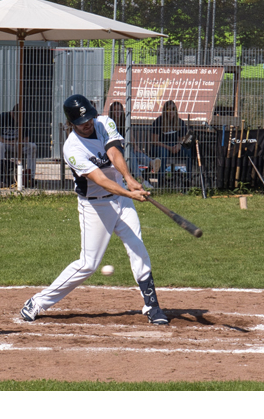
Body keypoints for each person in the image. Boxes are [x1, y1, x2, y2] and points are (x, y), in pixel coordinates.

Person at [20, 95, 168, 326]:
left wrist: (129, 179)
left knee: (137, 247)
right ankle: (37, 302)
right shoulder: (72, 148)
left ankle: (152, 306)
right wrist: (129, 193)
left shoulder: (105, 123)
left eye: (89, 117)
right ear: (71, 123)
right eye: (81, 121)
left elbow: (113, 153)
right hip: (95, 205)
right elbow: (99, 179)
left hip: (121, 198)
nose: (87, 123)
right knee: (88, 264)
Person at [108, 101, 154, 190]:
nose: (118, 112)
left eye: (119, 110)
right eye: (115, 110)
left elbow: (131, 136)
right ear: (112, 112)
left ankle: (142, 178)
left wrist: (136, 147)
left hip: (127, 148)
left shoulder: (125, 121)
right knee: (130, 153)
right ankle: (148, 167)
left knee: (132, 153)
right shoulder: (109, 123)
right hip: (115, 149)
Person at [0, 103, 37, 187]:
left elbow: (27, 138)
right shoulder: (3, 117)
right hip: (2, 143)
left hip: (15, 145)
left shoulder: (23, 120)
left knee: (32, 146)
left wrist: (22, 143)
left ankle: (30, 176)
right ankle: (0, 176)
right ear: (12, 113)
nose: (18, 120)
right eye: (17, 118)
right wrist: (8, 142)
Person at [150, 99, 190, 175]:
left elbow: (183, 139)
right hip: (161, 146)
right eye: (168, 109)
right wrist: (169, 148)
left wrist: (179, 145)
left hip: (175, 147)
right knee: (163, 153)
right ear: (165, 111)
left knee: (188, 151)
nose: (171, 111)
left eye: (173, 109)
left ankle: (189, 178)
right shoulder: (159, 121)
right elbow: (155, 141)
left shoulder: (180, 122)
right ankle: (161, 180)